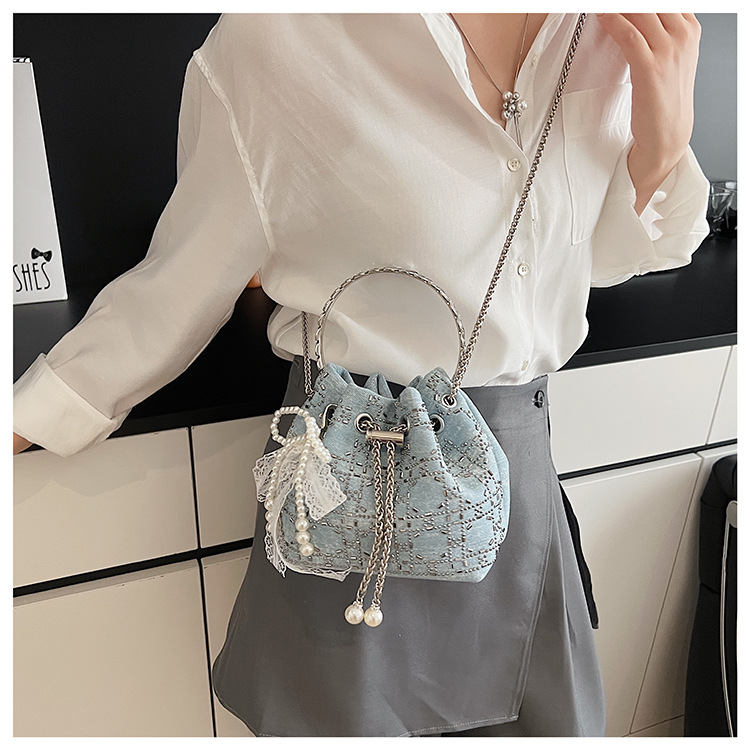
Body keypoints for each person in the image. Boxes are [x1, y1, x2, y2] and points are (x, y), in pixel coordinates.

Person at [13, 13, 708, 737]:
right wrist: (30, 414)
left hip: (517, 494)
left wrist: (661, 150)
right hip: (351, 485)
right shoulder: (284, 38)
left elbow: (593, 260)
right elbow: (180, 282)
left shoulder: (613, 34)